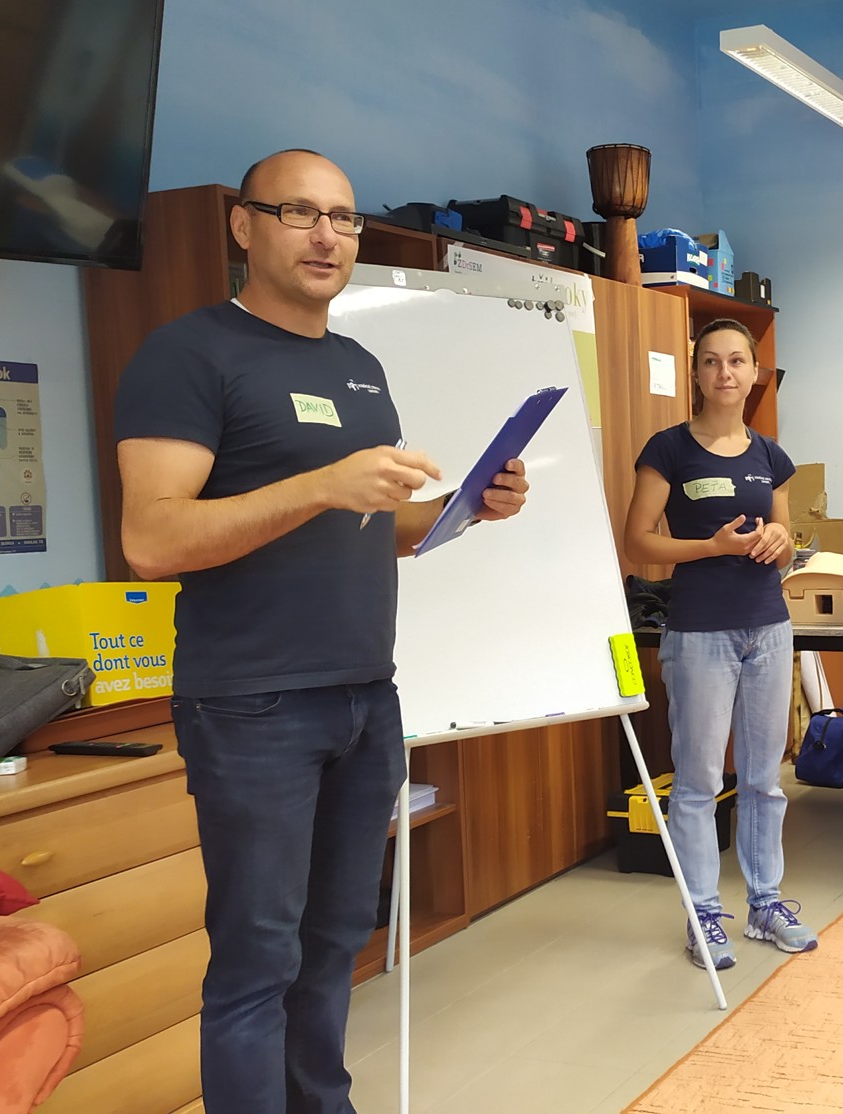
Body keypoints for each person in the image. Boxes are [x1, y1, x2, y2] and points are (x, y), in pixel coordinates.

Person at [112, 149, 530, 1114]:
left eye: (343, 218)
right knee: (257, 959)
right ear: (243, 225)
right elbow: (152, 540)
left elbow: (369, 525)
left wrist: (466, 509)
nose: (327, 235)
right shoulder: (189, 354)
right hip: (252, 704)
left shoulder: (358, 367)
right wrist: (319, 486)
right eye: (299, 212)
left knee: (337, 941)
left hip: (364, 697)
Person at [622, 319, 817, 969]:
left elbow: (784, 542)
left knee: (765, 779)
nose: (725, 373)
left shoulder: (771, 456)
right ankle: (702, 913)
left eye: (737, 361)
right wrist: (711, 546)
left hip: (768, 628)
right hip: (699, 632)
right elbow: (638, 542)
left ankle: (766, 904)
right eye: (712, 361)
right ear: (697, 373)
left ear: (754, 373)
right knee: (699, 781)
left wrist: (782, 542)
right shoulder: (668, 450)